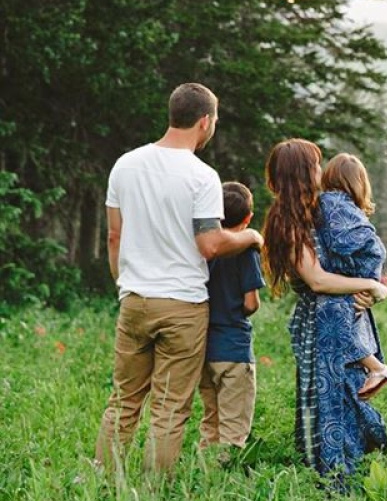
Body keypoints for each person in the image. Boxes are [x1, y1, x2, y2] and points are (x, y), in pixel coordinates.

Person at [95, 83, 264, 473]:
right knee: (170, 407)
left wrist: (125, 284)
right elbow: (210, 244)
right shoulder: (201, 175)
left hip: (135, 298)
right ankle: (154, 494)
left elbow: (114, 235)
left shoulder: (125, 165)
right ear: (204, 122)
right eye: (215, 121)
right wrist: (251, 236)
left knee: (123, 400)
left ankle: (100, 483)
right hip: (183, 307)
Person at [261, 138, 387, 487]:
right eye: (316, 165)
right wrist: (369, 285)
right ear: (302, 173)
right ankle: (334, 473)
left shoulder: (314, 211)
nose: (322, 171)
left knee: (347, 390)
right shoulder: (287, 222)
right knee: (328, 398)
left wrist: (366, 287)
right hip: (319, 321)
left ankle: (357, 458)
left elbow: (345, 255)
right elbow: (316, 279)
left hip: (338, 315)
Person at [318, 153, 387, 400]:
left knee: (337, 326)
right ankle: (373, 370)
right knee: (347, 329)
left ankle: (377, 368)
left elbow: (353, 242)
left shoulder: (331, 203)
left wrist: (367, 283)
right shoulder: (344, 206)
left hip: (346, 280)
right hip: (354, 280)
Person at [198, 181, 265, 456]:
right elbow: (251, 303)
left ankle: (204, 476)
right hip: (234, 349)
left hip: (204, 348)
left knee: (210, 422)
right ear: (248, 219)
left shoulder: (203, 249)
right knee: (233, 429)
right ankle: (223, 485)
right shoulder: (245, 250)